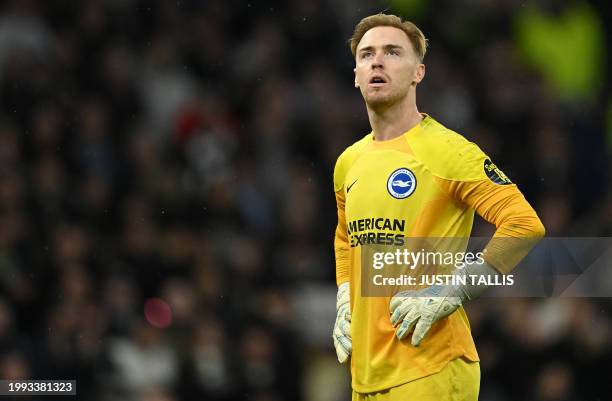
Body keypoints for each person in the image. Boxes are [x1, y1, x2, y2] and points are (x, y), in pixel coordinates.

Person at [332, 13, 545, 401]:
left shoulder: (447, 151)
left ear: (419, 73)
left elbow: (524, 224)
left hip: (432, 366)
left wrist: (455, 289)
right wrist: (345, 293)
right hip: (366, 375)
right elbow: (346, 236)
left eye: (393, 52)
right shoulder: (349, 161)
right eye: (367, 55)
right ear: (356, 75)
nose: (377, 61)